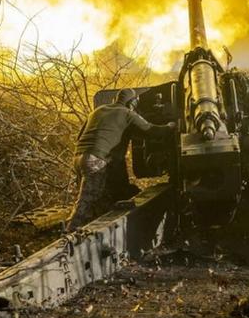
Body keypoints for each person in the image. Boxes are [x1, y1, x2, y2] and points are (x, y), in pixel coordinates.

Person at [65, 88, 175, 231]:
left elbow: (80, 136)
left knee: (103, 197)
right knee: (89, 199)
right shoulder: (127, 114)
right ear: (132, 103)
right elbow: (151, 131)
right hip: (96, 159)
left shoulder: (98, 110)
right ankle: (70, 231)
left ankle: (90, 228)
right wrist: (169, 127)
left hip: (79, 157)